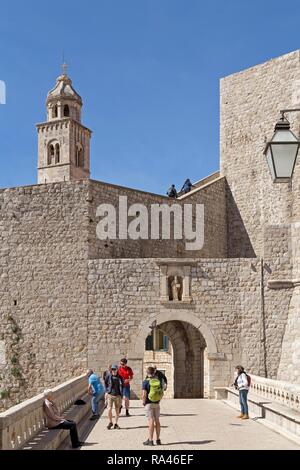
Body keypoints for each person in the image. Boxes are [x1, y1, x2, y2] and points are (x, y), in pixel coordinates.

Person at [142, 366, 164, 446]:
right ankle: (158, 440)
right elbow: (162, 393)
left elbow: (144, 395)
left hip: (149, 403)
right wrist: (158, 400)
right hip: (157, 403)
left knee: (151, 421)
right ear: (154, 373)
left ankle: (150, 441)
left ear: (147, 373)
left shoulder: (145, 382)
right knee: (157, 421)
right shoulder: (158, 381)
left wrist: (144, 402)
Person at [104, 364, 124, 430]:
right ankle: (110, 422)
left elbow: (122, 386)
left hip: (118, 395)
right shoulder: (108, 376)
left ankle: (116, 423)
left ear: (117, 370)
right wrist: (107, 391)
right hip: (110, 395)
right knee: (109, 409)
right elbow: (105, 383)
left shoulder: (120, 377)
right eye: (112, 369)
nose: (113, 371)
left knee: (117, 410)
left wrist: (121, 395)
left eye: (114, 369)